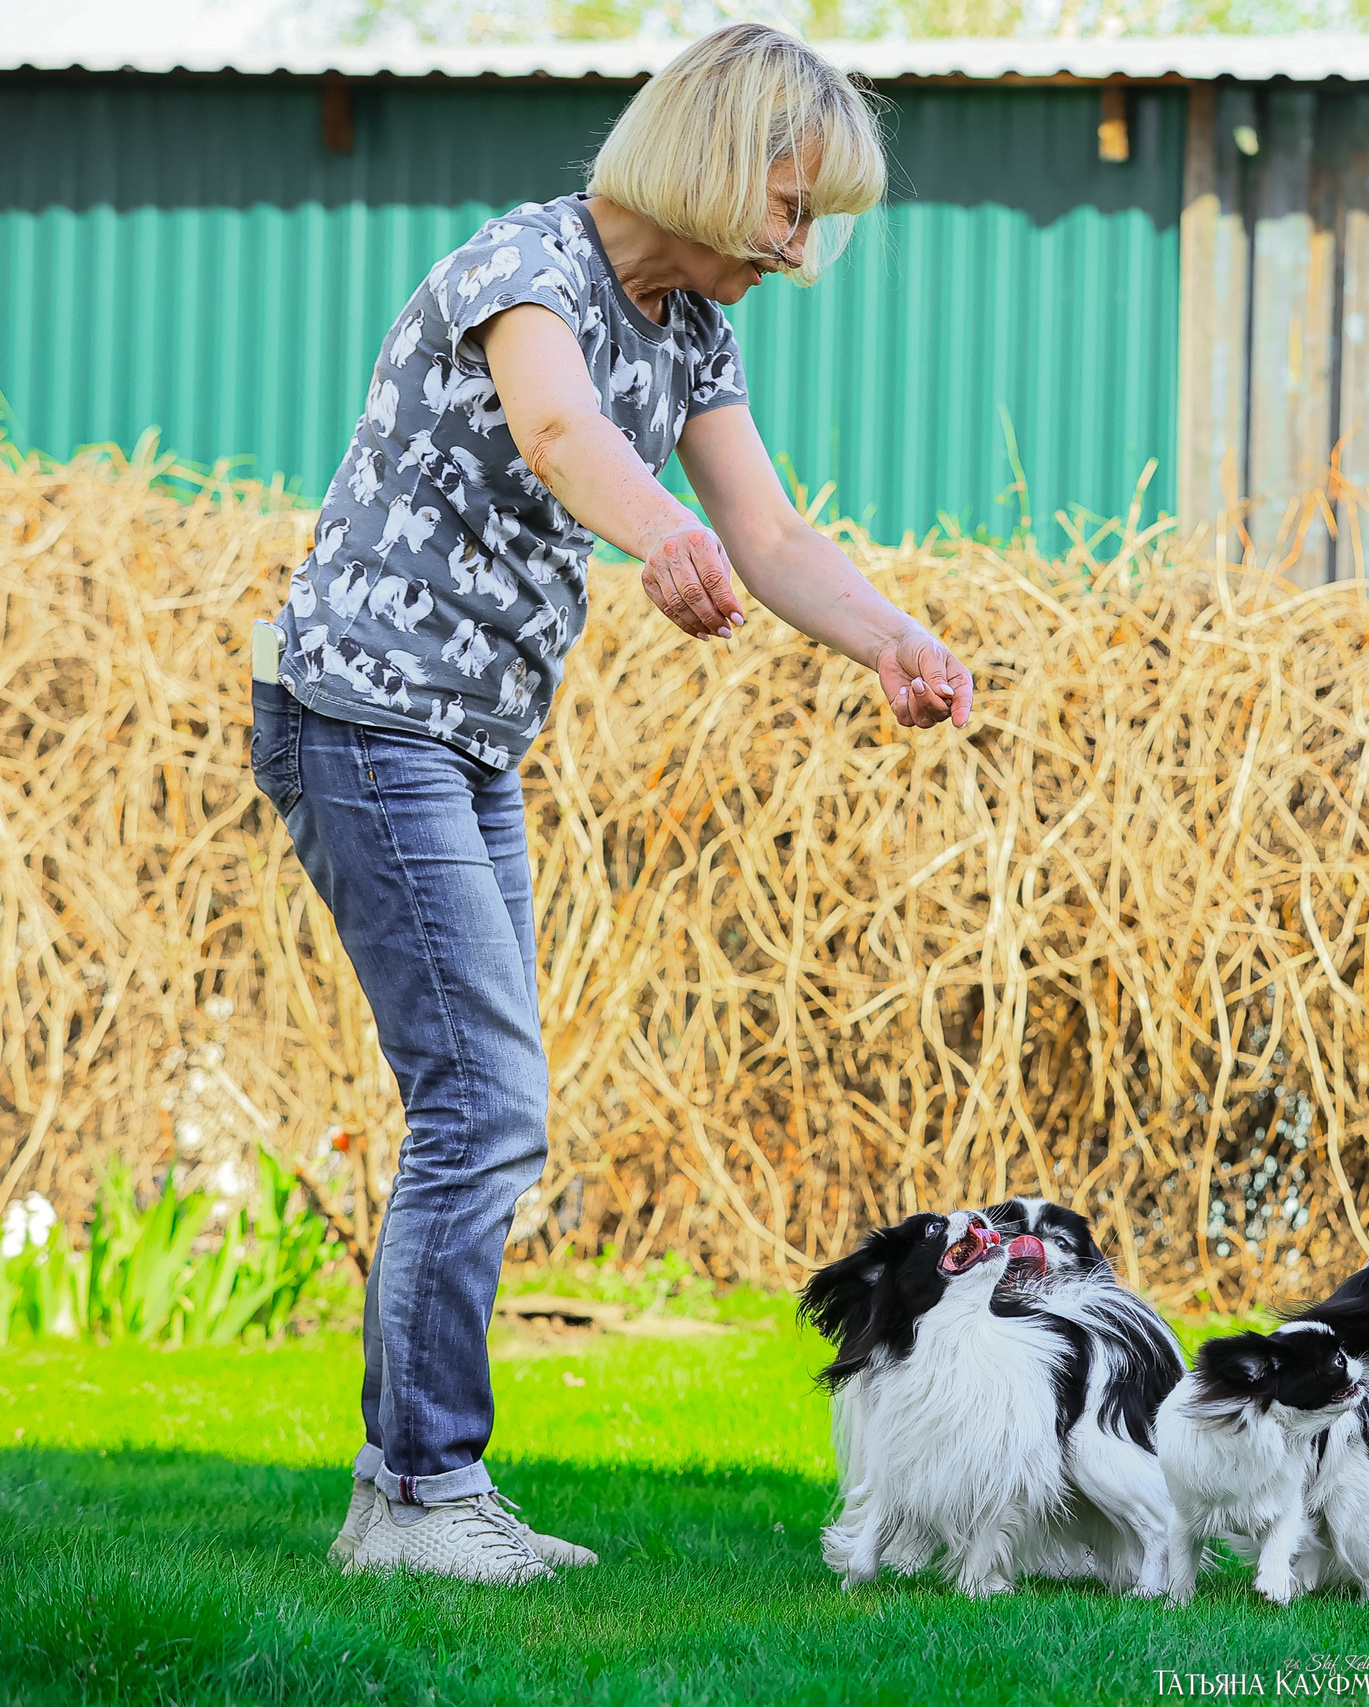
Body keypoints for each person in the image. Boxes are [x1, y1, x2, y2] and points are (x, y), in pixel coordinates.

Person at [247, 23, 971, 1585]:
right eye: (791, 207)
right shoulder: (525, 269)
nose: (801, 248)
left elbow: (769, 535)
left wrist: (893, 641)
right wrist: (656, 539)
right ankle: (419, 1495)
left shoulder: (690, 331)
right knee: (482, 1106)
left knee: (485, 1107)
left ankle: (415, 1490)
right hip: (361, 713)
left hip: (466, 741)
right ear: (715, 164)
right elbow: (561, 430)